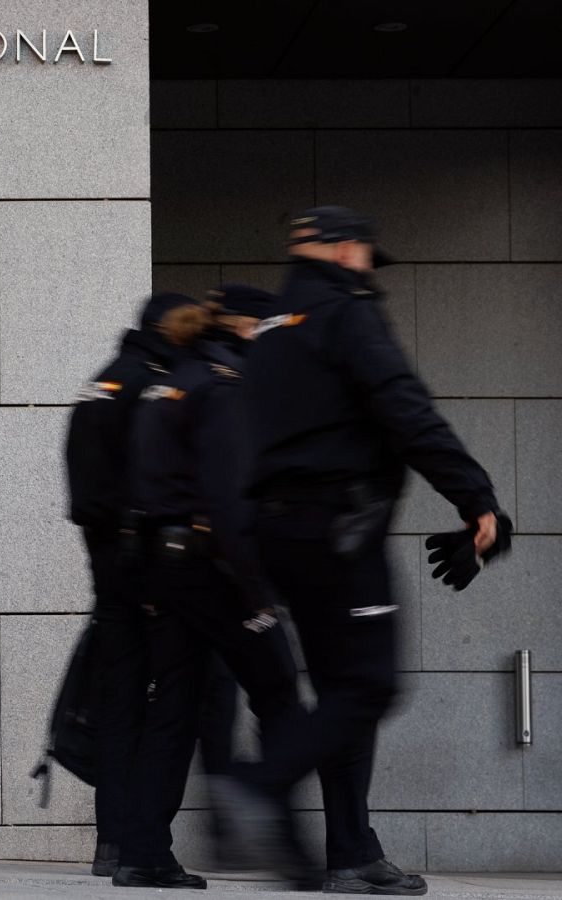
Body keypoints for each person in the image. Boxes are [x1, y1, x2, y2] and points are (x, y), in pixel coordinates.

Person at [221, 207, 513, 896]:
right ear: (346, 250)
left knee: (340, 693)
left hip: (278, 531)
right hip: (339, 529)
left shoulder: (268, 330)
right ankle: (257, 784)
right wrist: (476, 499)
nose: (364, 264)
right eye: (362, 252)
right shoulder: (345, 313)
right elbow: (404, 408)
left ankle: (351, 849)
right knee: (370, 684)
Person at [111, 287, 311, 890]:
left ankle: (142, 852)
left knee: (172, 709)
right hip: (215, 573)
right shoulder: (225, 385)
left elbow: (136, 492)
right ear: (248, 328)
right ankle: (278, 829)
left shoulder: (168, 382)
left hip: (167, 571)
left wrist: (145, 579)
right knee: (280, 695)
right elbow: (228, 499)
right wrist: (258, 590)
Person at [65, 292, 237, 877]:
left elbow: (87, 491)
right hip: (143, 565)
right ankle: (142, 844)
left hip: (107, 564)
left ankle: (113, 839)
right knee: (176, 698)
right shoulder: (154, 384)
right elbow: (147, 481)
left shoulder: (105, 381)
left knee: (119, 702)